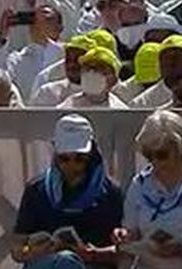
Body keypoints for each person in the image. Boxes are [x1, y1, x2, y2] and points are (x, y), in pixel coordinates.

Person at [10, 115, 125, 269]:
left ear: (91, 153)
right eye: (64, 159)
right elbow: (17, 245)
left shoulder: (111, 192)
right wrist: (31, 250)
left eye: (79, 159)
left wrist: (95, 253)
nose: (72, 166)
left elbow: (124, 249)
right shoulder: (37, 189)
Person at [116, 110, 182, 268]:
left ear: (181, 148)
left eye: (162, 155)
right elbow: (131, 235)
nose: (155, 161)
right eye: (148, 155)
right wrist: (124, 236)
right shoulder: (139, 184)